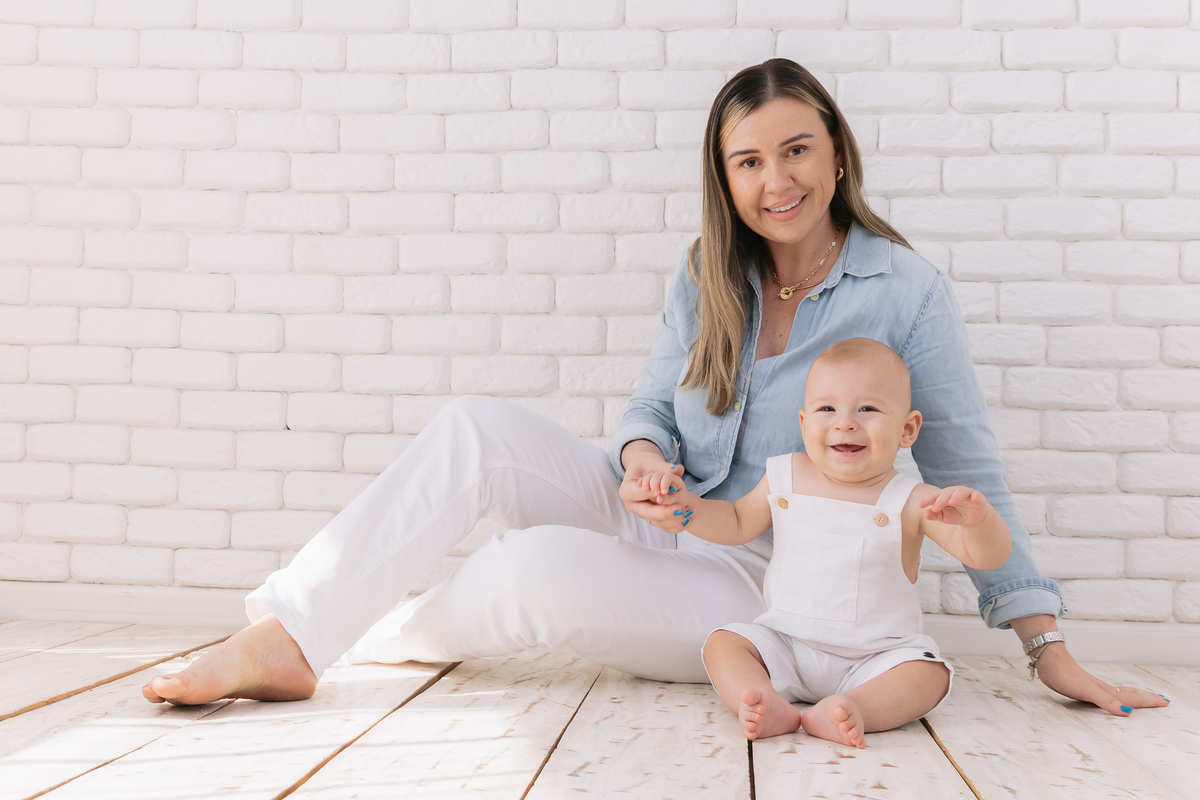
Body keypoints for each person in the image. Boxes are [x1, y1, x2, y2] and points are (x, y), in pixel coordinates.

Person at [142, 58, 1165, 720]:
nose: (778, 181)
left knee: (526, 571)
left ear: (837, 151)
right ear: (725, 176)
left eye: (797, 149)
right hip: (669, 510)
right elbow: (648, 409)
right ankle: (287, 631)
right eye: (750, 160)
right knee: (474, 431)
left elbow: (967, 467)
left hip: (756, 577)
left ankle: (369, 634)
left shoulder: (905, 290)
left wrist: (1047, 645)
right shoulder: (709, 269)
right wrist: (639, 464)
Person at [638, 337, 1012, 747]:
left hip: (876, 659)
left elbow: (987, 557)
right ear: (803, 423)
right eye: (826, 409)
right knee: (724, 643)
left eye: (867, 409)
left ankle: (855, 708)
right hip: (788, 645)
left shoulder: (913, 500)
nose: (845, 422)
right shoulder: (787, 475)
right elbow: (736, 521)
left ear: (907, 430)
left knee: (929, 673)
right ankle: (762, 699)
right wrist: (686, 506)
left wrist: (979, 524)